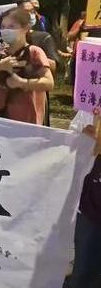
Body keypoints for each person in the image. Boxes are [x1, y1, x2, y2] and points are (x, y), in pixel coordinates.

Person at [0, 7, 54, 125]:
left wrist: (22, 83)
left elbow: (49, 83)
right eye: (3, 27)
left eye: (11, 26)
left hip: (26, 122)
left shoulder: (33, 52)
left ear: (25, 28)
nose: (6, 30)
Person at [68, 111, 101, 288]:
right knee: (84, 272)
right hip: (91, 207)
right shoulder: (92, 107)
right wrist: (83, 140)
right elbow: (70, 140)